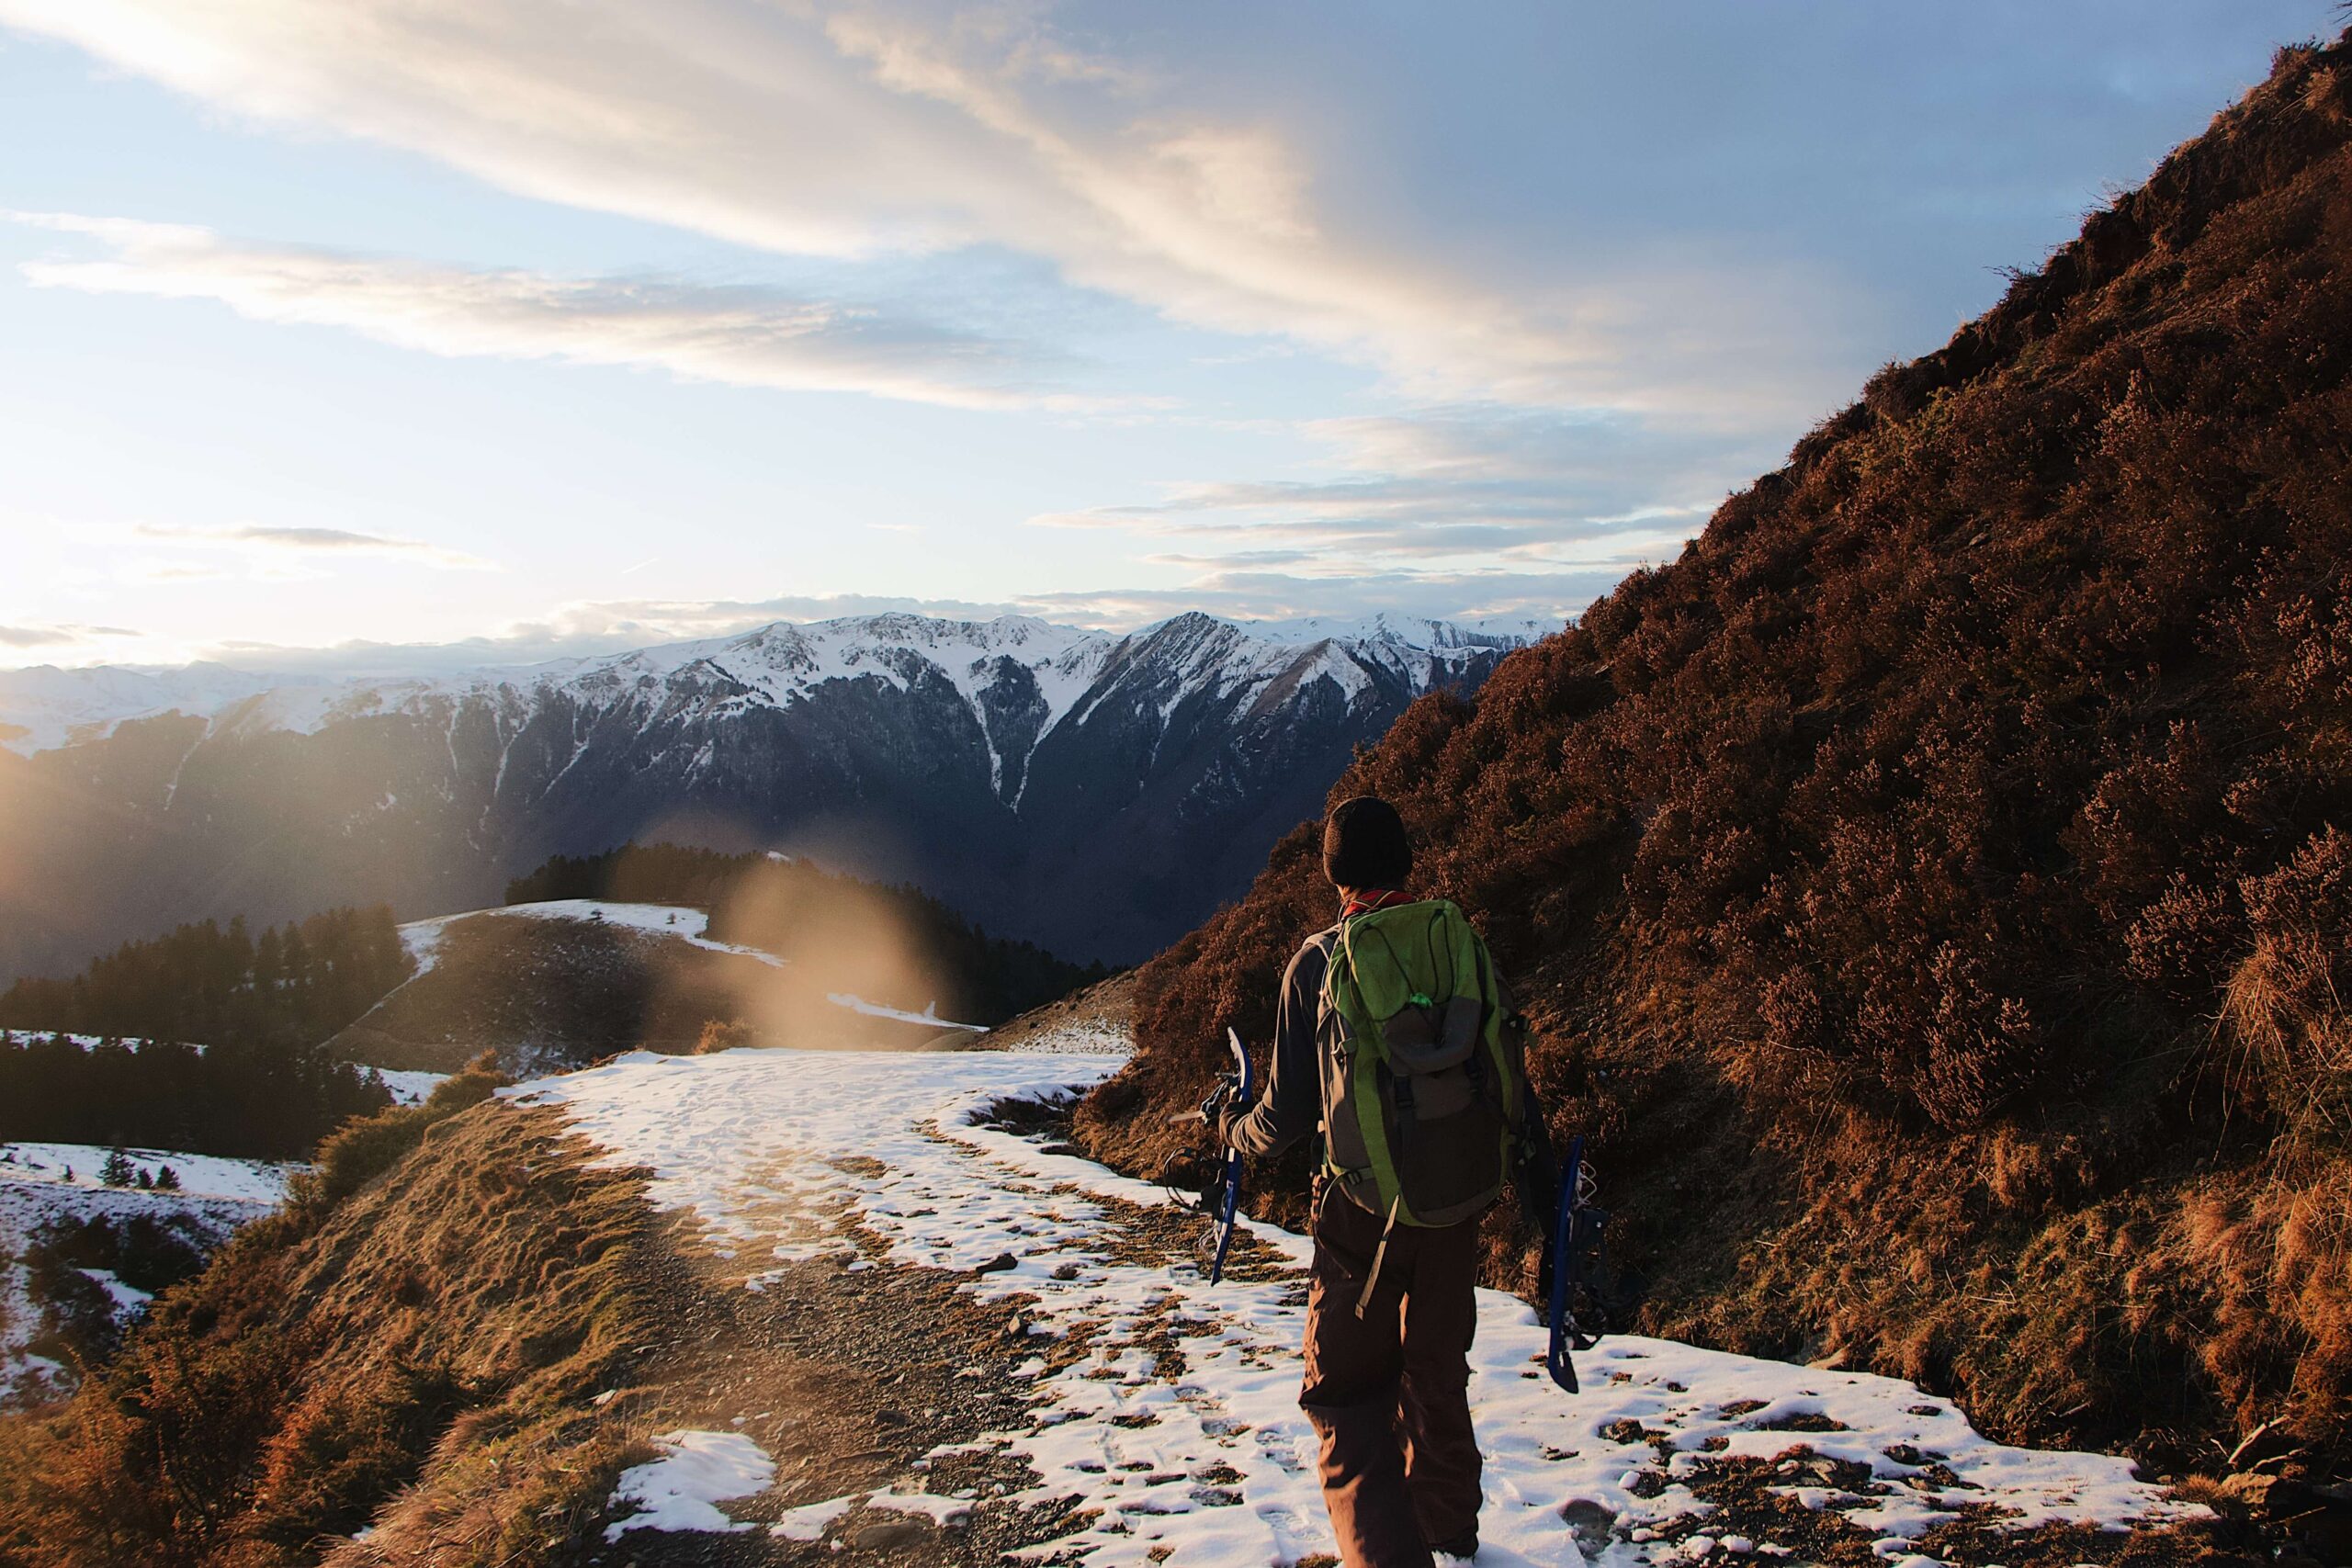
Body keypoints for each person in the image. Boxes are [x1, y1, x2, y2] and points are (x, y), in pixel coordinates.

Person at [1212, 795, 1556, 1568]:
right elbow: (1507, 1072)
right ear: (1407, 861)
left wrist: (1231, 1127)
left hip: (1361, 1216)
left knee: (1346, 1393)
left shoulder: (1316, 963)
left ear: (1333, 873)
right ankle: (1451, 1537)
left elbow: (1286, 1118)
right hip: (1457, 1198)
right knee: (1437, 1368)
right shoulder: (1457, 940)